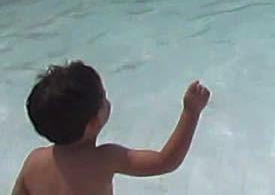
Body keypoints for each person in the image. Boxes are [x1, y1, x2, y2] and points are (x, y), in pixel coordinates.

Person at [12, 61, 211, 195]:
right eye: (103, 98)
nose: (107, 101)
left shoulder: (34, 161)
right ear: (93, 123)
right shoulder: (105, 159)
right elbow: (165, 161)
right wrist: (190, 112)